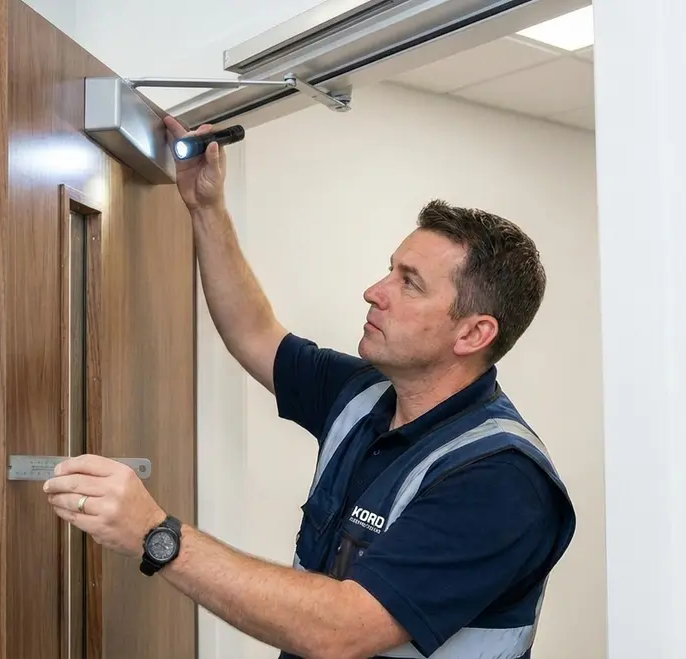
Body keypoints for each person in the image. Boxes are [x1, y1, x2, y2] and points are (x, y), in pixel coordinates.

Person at [43, 117, 577, 659]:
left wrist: (156, 534)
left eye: (409, 283)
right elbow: (254, 333)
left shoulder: (502, 480)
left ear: (473, 334)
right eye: (390, 271)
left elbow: (344, 629)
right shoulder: (364, 395)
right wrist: (206, 207)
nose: (374, 291)